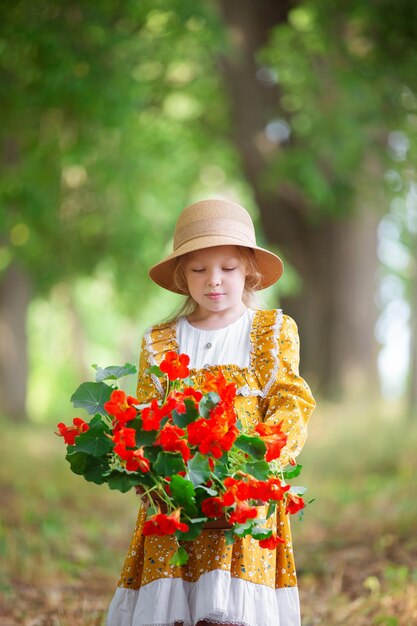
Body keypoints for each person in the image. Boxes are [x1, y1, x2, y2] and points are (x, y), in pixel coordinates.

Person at [106, 198, 316, 626]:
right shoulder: (161, 341)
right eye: (200, 270)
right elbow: (147, 417)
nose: (214, 281)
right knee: (175, 606)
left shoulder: (270, 333)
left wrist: (258, 462)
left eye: (228, 269)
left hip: (243, 494)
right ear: (182, 275)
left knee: (232, 603)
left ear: (250, 271)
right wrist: (146, 470)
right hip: (176, 498)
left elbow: (290, 401)